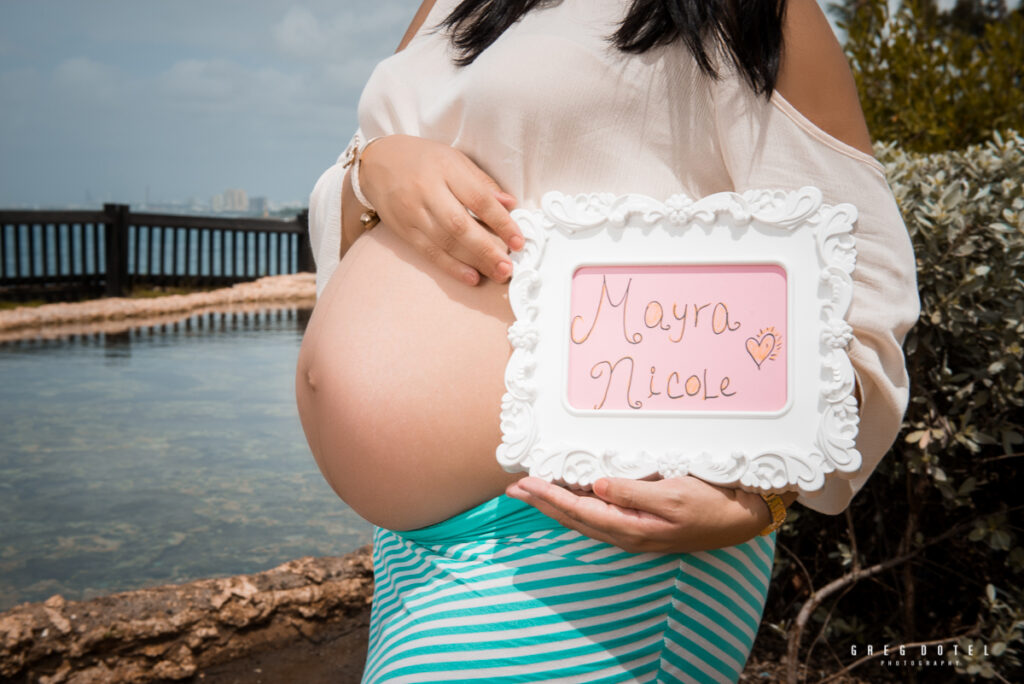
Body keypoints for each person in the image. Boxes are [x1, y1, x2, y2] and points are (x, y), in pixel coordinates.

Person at [294, 0, 920, 681]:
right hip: (413, 549)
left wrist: (769, 499)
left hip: (591, 534)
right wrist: (372, 167)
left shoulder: (752, 9)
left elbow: (867, 295)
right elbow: (362, 207)